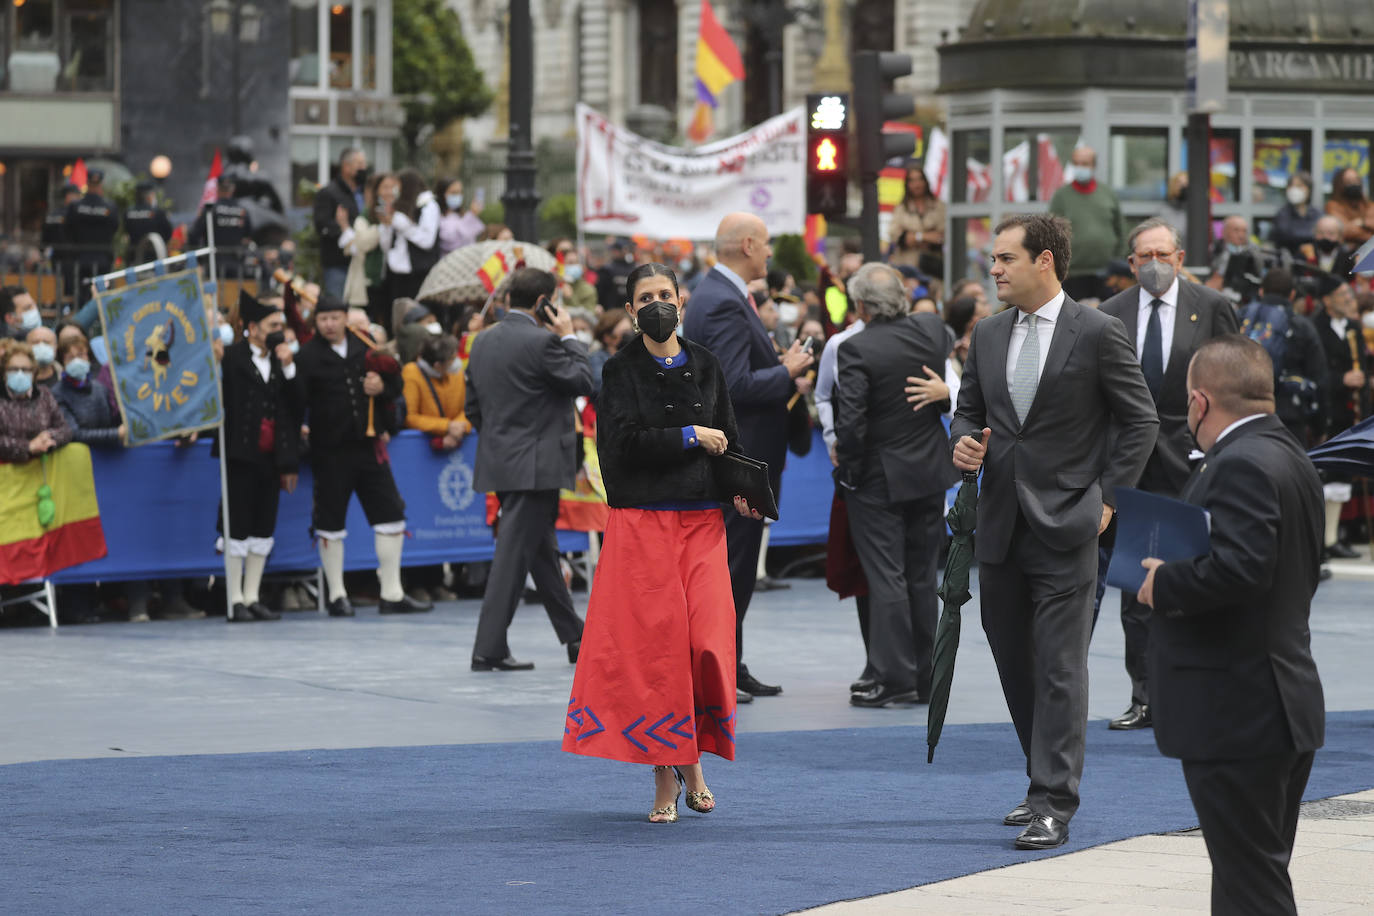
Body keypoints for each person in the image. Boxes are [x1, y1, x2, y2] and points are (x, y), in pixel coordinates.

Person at [950, 213, 1157, 850]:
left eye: (1007, 258)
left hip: (1070, 525)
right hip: (1001, 527)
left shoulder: (1097, 331)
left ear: (1045, 261)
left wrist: (1106, 503)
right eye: (995, 259)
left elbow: (1140, 420)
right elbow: (969, 412)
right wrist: (961, 444)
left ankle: (1053, 802)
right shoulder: (986, 333)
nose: (995, 269)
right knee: (1015, 662)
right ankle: (1040, 780)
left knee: (1061, 668)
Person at [1136, 335, 1325, 916]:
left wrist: (1162, 583)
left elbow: (1245, 568)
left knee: (1252, 886)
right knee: (1251, 873)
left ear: (1198, 402)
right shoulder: (1289, 454)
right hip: (1275, 699)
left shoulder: (1241, 462)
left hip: (1239, 709)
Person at [563, 262, 755, 823]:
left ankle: (688, 760)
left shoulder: (708, 363)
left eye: (664, 294)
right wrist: (690, 435)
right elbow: (618, 446)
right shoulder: (619, 371)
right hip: (644, 524)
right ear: (629, 310)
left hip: (702, 524)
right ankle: (669, 774)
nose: (657, 304)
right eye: (645, 297)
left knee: (707, 647)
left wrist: (742, 489)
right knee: (658, 655)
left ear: (681, 300)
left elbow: (732, 441)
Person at [1097, 217, 1239, 731]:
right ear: (1132, 262)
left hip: (1195, 463)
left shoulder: (1214, 307)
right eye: (1144, 256)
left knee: (1196, 577)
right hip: (1131, 466)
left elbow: (1233, 379)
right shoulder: (1110, 314)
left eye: (1163, 254)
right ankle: (1146, 694)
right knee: (1136, 586)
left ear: (1180, 258)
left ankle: (1200, 691)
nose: (1154, 264)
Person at [681, 212, 815, 701]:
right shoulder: (721, 300)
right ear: (749, 245)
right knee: (729, 570)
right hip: (739, 458)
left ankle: (728, 664)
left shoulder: (723, 294)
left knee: (733, 568)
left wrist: (780, 369)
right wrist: (788, 370)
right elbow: (733, 385)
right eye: (767, 245)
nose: (772, 254)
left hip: (738, 455)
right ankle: (714, 671)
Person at [834, 264, 957, 707]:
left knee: (887, 578)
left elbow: (851, 423)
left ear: (861, 306)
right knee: (923, 578)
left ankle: (895, 678)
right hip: (928, 473)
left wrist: (847, 468)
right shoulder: (933, 331)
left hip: (877, 479)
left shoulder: (856, 349)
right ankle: (925, 678)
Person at [465, 268, 592, 669]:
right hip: (536, 465)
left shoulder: (481, 342)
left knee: (541, 552)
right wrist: (569, 335)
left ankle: (575, 636)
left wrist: (502, 442)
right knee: (512, 556)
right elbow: (585, 381)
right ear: (544, 303)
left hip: (502, 461)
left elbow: (473, 408)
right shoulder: (545, 342)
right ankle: (488, 648)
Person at [295, 294, 430, 618]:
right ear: (316, 321)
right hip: (329, 452)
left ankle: (392, 592)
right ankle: (338, 595)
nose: (329, 324)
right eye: (323, 318)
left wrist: (380, 387)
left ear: (345, 318)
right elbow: (295, 403)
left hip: (368, 448)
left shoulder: (365, 347)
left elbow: (396, 386)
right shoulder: (308, 357)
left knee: (391, 514)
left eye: (335, 317)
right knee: (329, 523)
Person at [214, 293, 303, 623]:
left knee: (264, 526)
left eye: (282, 325)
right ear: (252, 328)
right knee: (237, 525)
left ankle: (252, 595)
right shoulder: (233, 357)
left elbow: (296, 406)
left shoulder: (284, 362)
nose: (280, 331)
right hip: (240, 452)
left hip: (273, 455)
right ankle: (234, 598)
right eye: (273, 325)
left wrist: (289, 367)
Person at [1310, 276, 1372, 561]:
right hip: (1326, 410)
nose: (1349, 298)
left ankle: (1332, 537)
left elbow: (1362, 362)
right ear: (1327, 301)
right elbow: (1315, 372)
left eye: (1349, 293)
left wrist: (1362, 380)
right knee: (1325, 475)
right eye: (1341, 294)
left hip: (1349, 409)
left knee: (1343, 476)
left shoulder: (1353, 328)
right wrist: (1341, 379)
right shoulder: (1315, 328)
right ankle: (1319, 538)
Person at [1238, 268, 1328, 446]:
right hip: (1288, 419)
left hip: (1242, 415)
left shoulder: (1241, 317)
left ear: (1261, 291)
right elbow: (1319, 380)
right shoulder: (1302, 326)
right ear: (1292, 295)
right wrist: (1320, 428)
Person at [1048, 146, 1125, 302]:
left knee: (1109, 317)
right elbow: (1052, 234)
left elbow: (1120, 230)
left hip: (1106, 273)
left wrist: (1117, 261)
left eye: (1085, 163)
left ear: (1093, 166)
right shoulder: (1061, 196)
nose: (1080, 168)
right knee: (1071, 320)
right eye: (1076, 163)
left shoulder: (1107, 194)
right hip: (1072, 274)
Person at [0, 341, 73, 463]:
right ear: (4, 373)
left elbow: (65, 429)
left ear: (34, 373)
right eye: (13, 369)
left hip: (42, 475)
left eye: (25, 369)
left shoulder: (44, 394)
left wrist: (47, 438)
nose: (20, 374)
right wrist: (28, 446)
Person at [377, 169, 441, 307]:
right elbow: (386, 246)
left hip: (418, 273)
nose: (394, 192)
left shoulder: (427, 205)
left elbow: (426, 241)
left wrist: (401, 223)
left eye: (397, 187)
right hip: (397, 274)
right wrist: (386, 224)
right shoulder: (399, 206)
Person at [314, 148, 368, 300]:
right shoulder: (328, 193)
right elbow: (322, 225)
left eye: (364, 164)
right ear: (346, 166)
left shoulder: (365, 192)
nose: (364, 168)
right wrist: (345, 230)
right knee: (336, 306)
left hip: (362, 263)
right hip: (338, 264)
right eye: (360, 164)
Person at [52, 336, 123, 446]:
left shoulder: (100, 388)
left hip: (108, 454)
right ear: (63, 363)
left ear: (88, 357)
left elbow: (112, 421)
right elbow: (74, 434)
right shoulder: (57, 393)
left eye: (81, 355)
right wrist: (116, 434)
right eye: (70, 358)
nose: (76, 361)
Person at [64, 169, 119, 290]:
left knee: (81, 295)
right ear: (101, 185)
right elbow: (115, 227)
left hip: (80, 258)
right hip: (103, 258)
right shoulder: (110, 207)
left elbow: (68, 229)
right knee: (102, 295)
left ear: (87, 184)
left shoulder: (75, 207)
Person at [188, 175, 252, 276]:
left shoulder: (210, 210)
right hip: (236, 265)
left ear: (217, 188)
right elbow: (248, 238)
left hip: (214, 265)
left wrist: (199, 260)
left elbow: (193, 235)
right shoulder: (243, 211)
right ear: (232, 189)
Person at [888, 166, 946, 277]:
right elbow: (896, 236)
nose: (916, 184)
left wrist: (913, 237)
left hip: (933, 266)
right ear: (907, 184)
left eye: (919, 179)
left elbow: (941, 236)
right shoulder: (901, 208)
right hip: (906, 267)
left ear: (925, 181)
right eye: (912, 180)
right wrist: (923, 236)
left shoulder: (938, 206)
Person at [1207, 215, 1265, 306]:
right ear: (1224, 232)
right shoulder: (1214, 250)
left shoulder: (1254, 251)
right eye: (1236, 230)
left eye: (1244, 231)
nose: (1241, 235)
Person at [1271, 171, 1320, 258]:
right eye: (1291, 186)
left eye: (1299, 186)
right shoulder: (1282, 213)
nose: (1294, 189)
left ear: (1309, 189)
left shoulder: (1317, 214)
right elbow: (1285, 236)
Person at [123, 180, 173, 257]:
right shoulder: (157, 212)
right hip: (153, 255)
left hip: (133, 255)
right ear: (150, 196)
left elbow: (126, 229)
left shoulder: (128, 212)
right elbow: (168, 232)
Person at [588, 309, 633, 397]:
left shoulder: (637, 355)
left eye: (630, 331)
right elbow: (602, 387)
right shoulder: (596, 359)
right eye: (624, 333)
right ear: (607, 337)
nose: (629, 336)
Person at [1326, 167, 1374, 248]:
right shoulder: (1333, 206)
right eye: (1349, 182)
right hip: (1348, 254)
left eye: (1356, 180)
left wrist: (1362, 222)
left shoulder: (1368, 205)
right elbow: (1344, 230)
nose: (1354, 184)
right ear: (1340, 185)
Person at [435, 178, 485, 254]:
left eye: (460, 192)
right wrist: (472, 215)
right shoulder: (437, 217)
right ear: (442, 194)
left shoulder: (461, 215)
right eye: (454, 193)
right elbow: (451, 243)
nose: (458, 196)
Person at [1153, 170, 1188, 243]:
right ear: (1172, 186)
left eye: (1186, 184)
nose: (1183, 187)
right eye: (1179, 183)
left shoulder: (1197, 212)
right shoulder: (1163, 211)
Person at [25, 325, 60, 391]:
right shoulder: (17, 379)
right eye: (35, 342)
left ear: (56, 347)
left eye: (46, 342)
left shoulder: (65, 377)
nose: (41, 346)